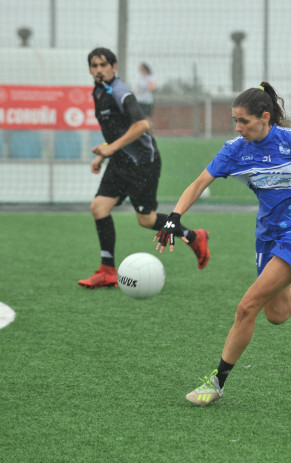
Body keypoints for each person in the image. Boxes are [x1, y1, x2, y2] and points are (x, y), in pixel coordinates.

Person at [155, 82, 291, 406]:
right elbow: (199, 183)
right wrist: (174, 216)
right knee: (278, 312)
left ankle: (216, 383)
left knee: (246, 306)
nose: (238, 127)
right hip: (267, 236)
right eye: (235, 120)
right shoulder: (235, 149)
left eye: (244, 121)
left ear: (265, 117)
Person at [78, 48, 209, 289]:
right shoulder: (98, 92)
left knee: (146, 220)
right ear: (89, 69)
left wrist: (110, 149)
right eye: (94, 65)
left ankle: (194, 237)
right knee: (99, 207)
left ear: (114, 67)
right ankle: (107, 270)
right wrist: (106, 152)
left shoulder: (120, 92)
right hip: (120, 161)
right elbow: (120, 131)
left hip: (143, 164)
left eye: (103, 65)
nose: (99, 69)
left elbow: (141, 125)